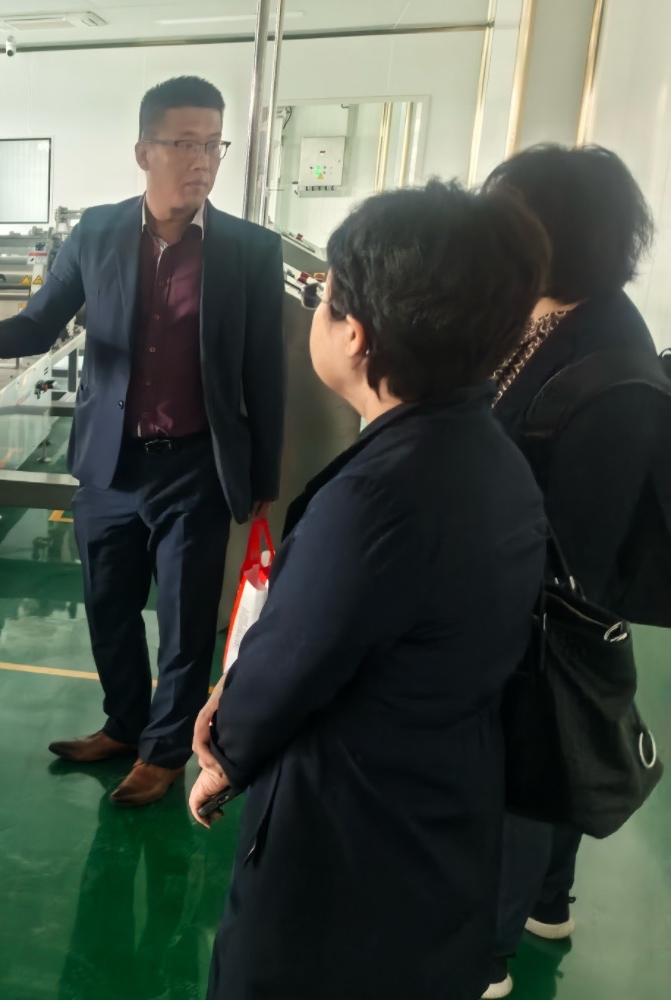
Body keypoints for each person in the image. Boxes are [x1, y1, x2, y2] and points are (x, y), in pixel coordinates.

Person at [187, 182, 550, 1000]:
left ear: (357, 335)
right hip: (441, 811)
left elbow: (294, 661)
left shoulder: (380, 497)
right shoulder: (486, 452)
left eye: (325, 298)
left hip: (349, 837)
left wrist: (224, 751)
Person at [0, 76, 286, 807]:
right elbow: (42, 320)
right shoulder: (97, 232)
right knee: (107, 605)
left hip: (196, 466)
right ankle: (124, 723)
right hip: (110, 464)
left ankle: (166, 751)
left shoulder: (249, 250)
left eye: (213, 145)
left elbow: (263, 370)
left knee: (183, 621)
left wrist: (262, 476)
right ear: (144, 151)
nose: (202, 160)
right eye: (184, 143)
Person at [480, 144, 660, 999]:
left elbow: (578, 541)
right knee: (551, 755)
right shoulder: (551, 315)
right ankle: (548, 901)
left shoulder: (612, 362)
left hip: (547, 608)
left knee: (525, 770)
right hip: (525, 589)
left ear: (560, 235)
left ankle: (487, 953)